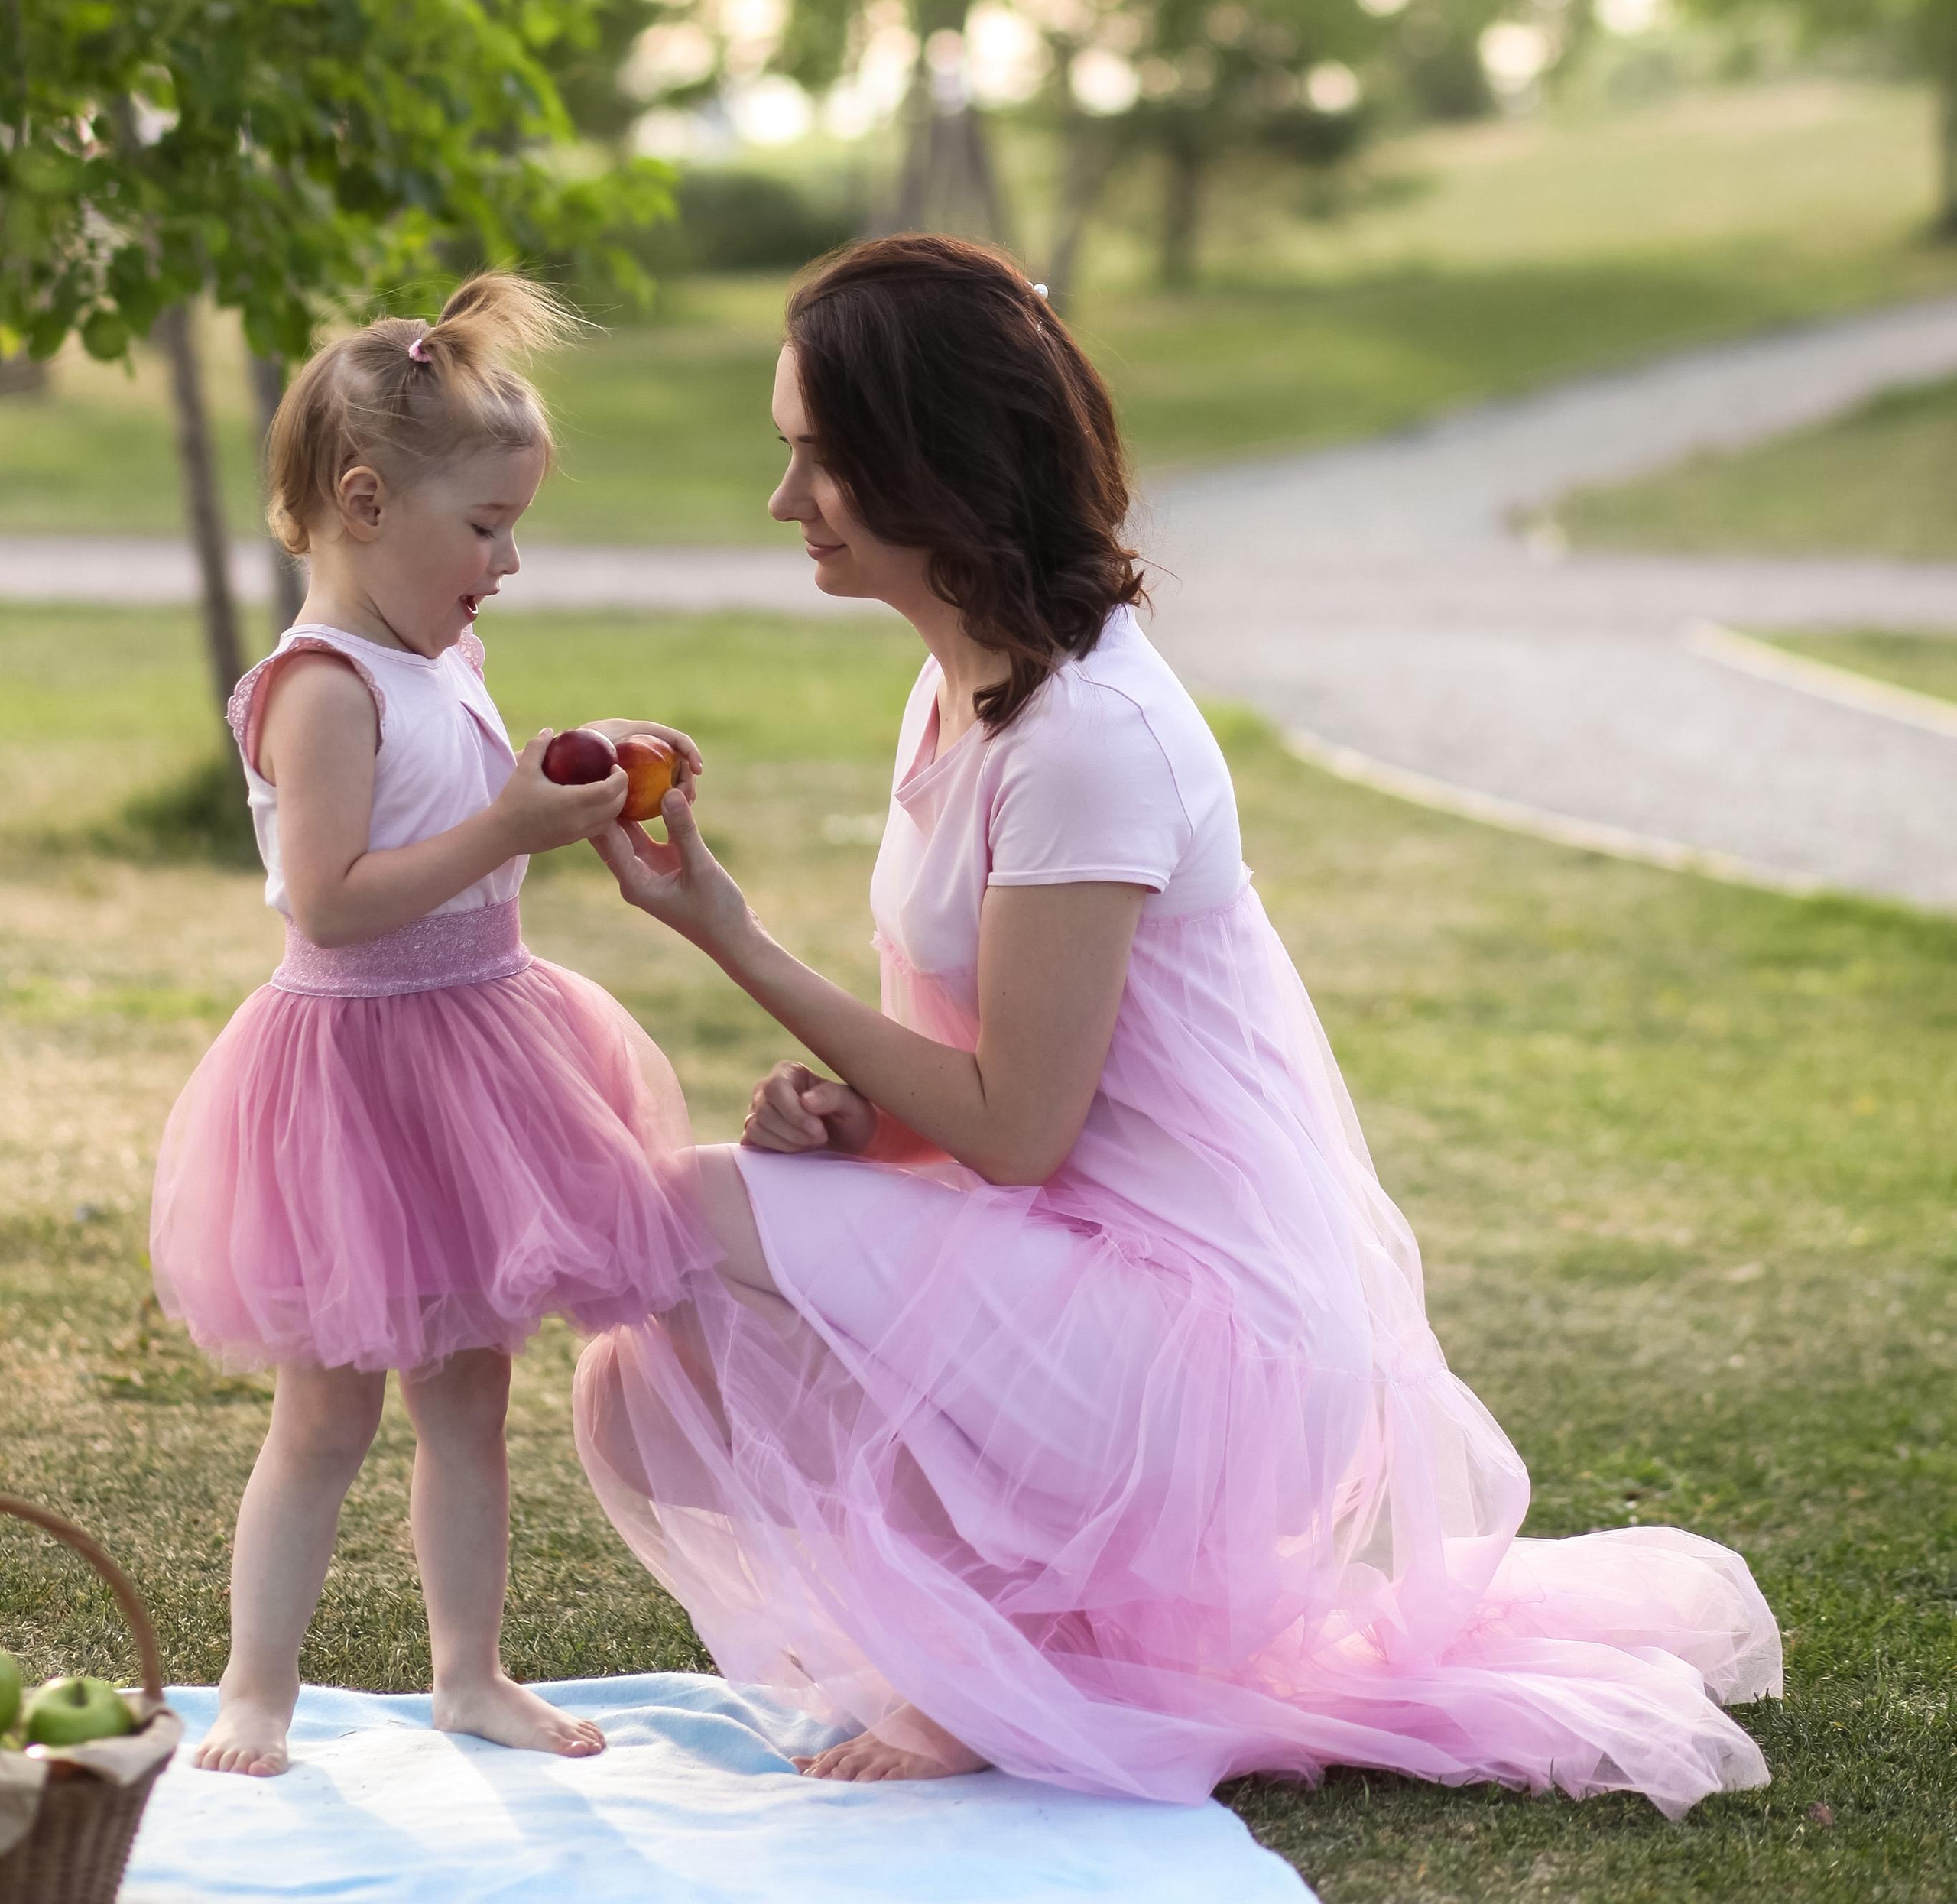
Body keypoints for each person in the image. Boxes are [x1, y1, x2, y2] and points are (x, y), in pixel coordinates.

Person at [573, 232, 1781, 1815]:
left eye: (818, 459)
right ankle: (1003, 1640)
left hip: (1206, 1343)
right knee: (634, 1358)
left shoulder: (1087, 737)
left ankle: (992, 1672)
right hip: (1078, 1272)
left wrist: (724, 932)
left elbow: (1015, 1129)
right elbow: (969, 1106)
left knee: (685, 1211)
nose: (785, 501)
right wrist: (852, 1126)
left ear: (927, 464)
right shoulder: (959, 690)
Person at [150, 276, 708, 1779]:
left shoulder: (433, 651)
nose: (506, 563)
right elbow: (330, 903)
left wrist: (570, 785)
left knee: (471, 1403)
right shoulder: (319, 687)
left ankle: (471, 1673)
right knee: (325, 1413)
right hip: (357, 1073)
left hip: (482, 1046)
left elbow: (461, 818)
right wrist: (500, 828)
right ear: (361, 500)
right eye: (482, 529)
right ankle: (256, 1685)